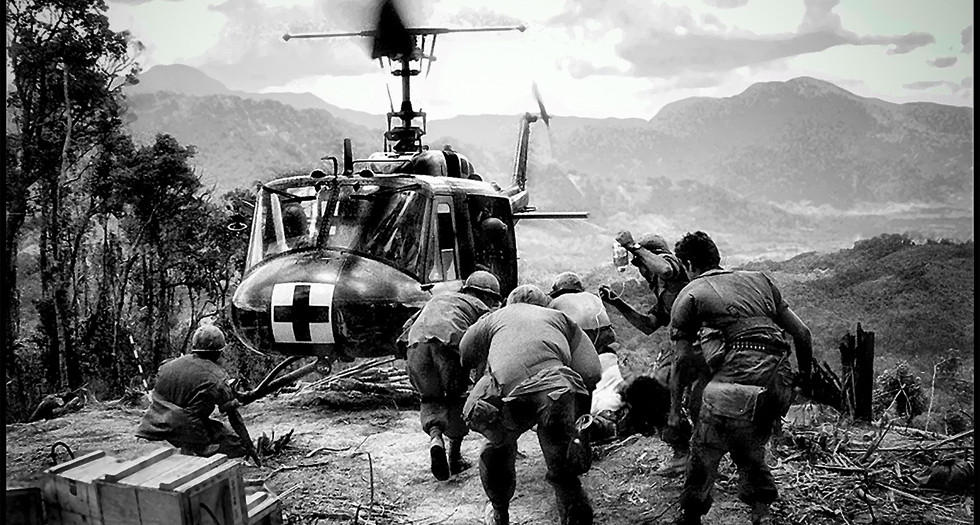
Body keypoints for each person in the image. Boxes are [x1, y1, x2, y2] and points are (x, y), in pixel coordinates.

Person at [666, 231, 813, 525]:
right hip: (778, 379)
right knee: (746, 437)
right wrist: (803, 383)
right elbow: (803, 334)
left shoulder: (690, 293)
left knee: (706, 444)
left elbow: (681, 359)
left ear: (689, 264)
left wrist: (674, 410)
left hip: (741, 379)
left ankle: (691, 514)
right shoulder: (760, 279)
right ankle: (761, 509)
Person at [460, 284, 602, 525]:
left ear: (509, 303)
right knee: (562, 469)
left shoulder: (494, 318)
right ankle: (574, 511)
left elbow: (465, 353)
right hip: (556, 390)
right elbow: (591, 372)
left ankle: (499, 511)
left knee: (497, 449)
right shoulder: (560, 318)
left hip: (509, 392)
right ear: (544, 304)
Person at [598, 231, 705, 476]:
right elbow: (648, 325)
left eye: (642, 264)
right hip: (689, 347)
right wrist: (618, 304)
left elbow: (665, 269)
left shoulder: (674, 269)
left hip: (702, 345)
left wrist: (633, 247)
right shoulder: (664, 292)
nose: (642, 270)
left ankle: (682, 453)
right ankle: (683, 448)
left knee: (652, 390)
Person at [405, 270, 502, 481]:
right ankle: (454, 457)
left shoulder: (439, 298)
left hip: (415, 346)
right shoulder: (482, 309)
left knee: (430, 397)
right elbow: (485, 347)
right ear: (486, 296)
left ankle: (435, 438)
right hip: (449, 343)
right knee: (456, 396)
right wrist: (480, 385)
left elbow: (406, 328)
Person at [136, 324, 260, 465]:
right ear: (219, 352)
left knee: (216, 428)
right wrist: (249, 445)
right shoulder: (217, 378)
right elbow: (234, 417)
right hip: (186, 430)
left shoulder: (167, 366)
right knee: (237, 444)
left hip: (152, 426)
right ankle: (202, 451)